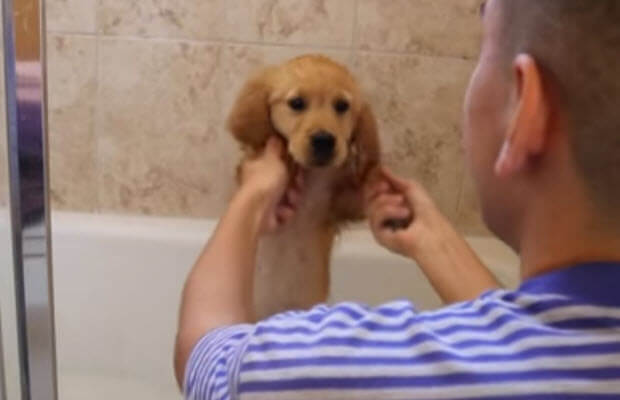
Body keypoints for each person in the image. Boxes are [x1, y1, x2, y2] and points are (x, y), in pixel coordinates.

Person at [174, 0, 620, 398]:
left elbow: (207, 362)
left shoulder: (350, 366)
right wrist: (433, 241)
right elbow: (520, 348)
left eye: (482, 49)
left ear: (527, 108)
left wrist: (251, 196)